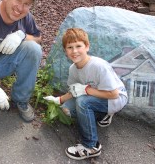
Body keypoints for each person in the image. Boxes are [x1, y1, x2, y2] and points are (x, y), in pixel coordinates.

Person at [43, 28, 128, 160]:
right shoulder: (73, 69)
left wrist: (86, 90)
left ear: (87, 47)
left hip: (115, 99)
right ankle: (102, 115)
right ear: (65, 51)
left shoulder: (98, 66)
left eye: (78, 46)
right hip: (96, 97)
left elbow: (114, 94)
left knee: (83, 102)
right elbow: (74, 90)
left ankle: (91, 146)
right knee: (67, 109)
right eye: (70, 47)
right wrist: (58, 100)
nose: (74, 51)